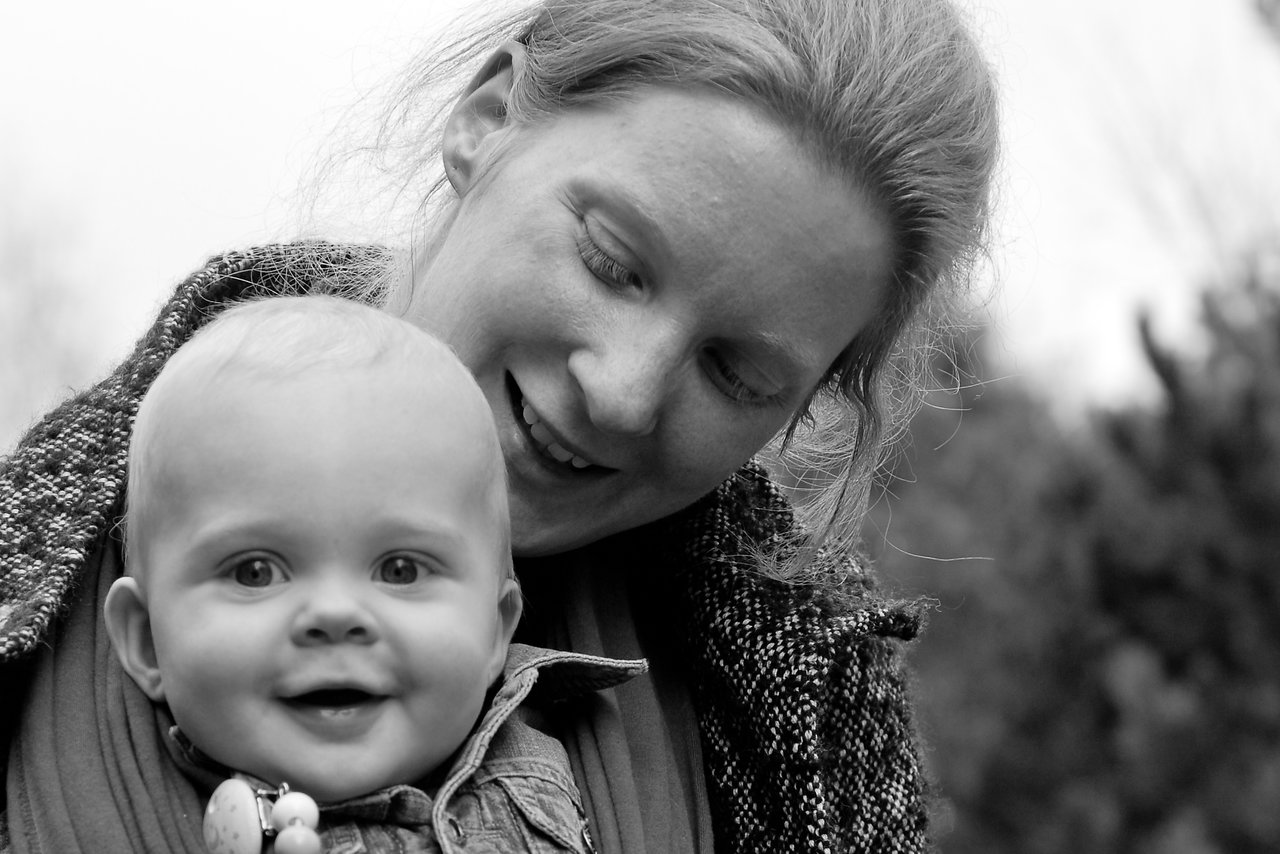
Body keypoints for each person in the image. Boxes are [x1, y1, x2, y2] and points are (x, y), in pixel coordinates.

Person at [0, 0, 1000, 851]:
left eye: (733, 372)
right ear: (485, 119)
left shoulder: (813, 718)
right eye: (611, 263)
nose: (621, 394)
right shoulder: (40, 561)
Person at [95, 294, 643, 853]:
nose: (334, 613)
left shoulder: (579, 743)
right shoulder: (108, 811)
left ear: (494, 630)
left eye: (400, 570)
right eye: (255, 572)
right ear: (146, 638)